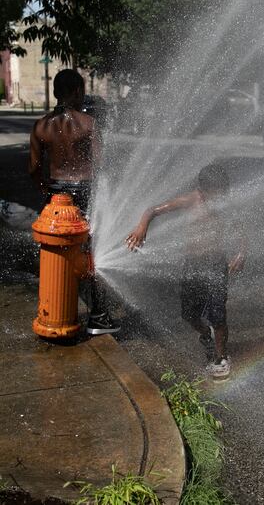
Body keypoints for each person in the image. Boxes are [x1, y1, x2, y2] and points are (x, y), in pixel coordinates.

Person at [125, 163, 245, 380]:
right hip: (192, 265)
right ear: (202, 190)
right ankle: (206, 334)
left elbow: (240, 229)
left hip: (216, 265)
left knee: (218, 315)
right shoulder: (191, 201)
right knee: (189, 314)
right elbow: (153, 211)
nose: (219, 198)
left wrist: (241, 253)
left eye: (223, 193)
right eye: (215, 194)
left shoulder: (226, 205)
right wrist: (142, 227)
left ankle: (220, 358)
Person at [29, 68, 120, 335]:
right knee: (93, 252)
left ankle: (58, 308)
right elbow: (101, 165)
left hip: (56, 195)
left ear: (56, 92)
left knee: (58, 250)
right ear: (78, 91)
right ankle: (99, 317)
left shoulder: (41, 126)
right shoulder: (89, 124)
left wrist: (47, 192)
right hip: (85, 192)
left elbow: (34, 168)